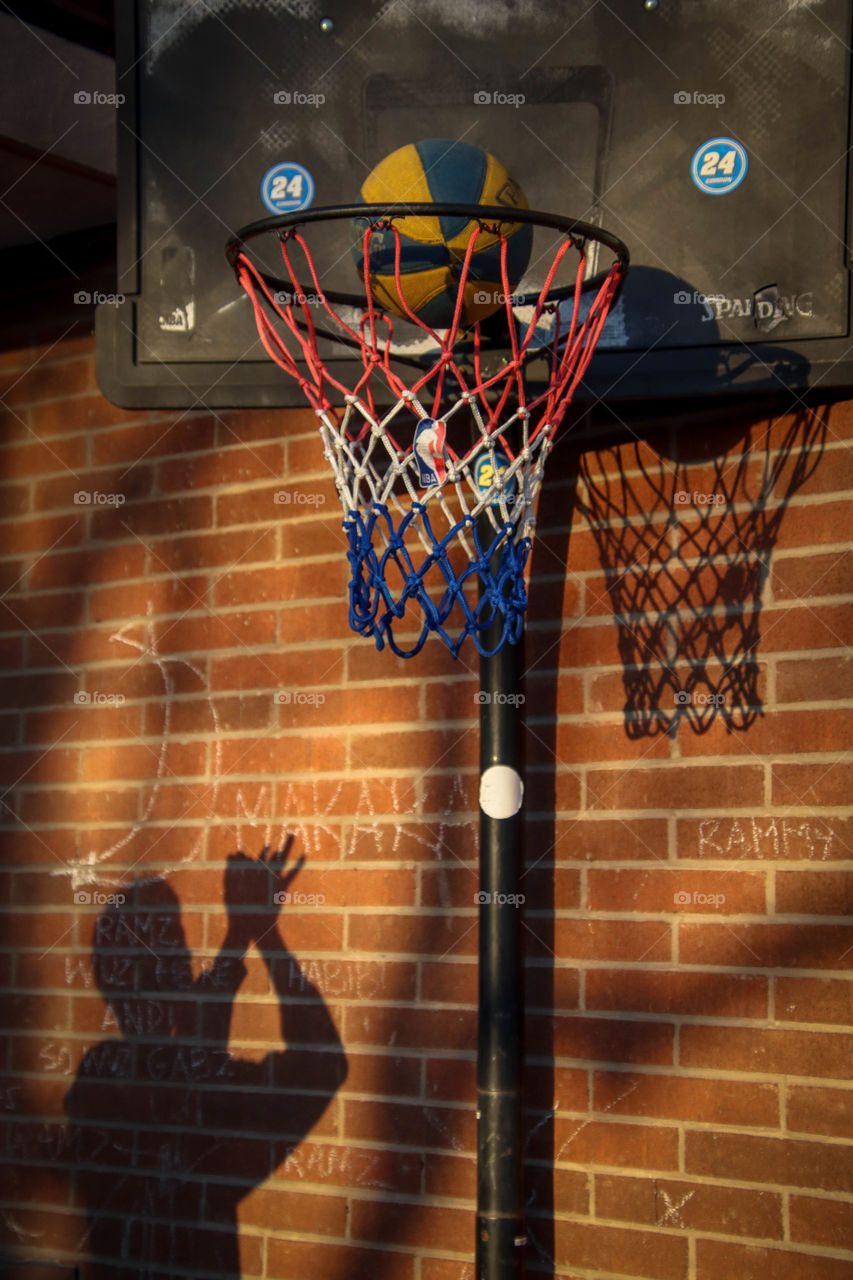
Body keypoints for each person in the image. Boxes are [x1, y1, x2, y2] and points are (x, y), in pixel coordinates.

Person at [65, 846, 347, 1279]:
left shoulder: (109, 1072)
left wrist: (250, 934)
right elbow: (186, 1086)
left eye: (174, 941)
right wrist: (256, 934)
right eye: (155, 948)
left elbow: (318, 1065)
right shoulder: (102, 1079)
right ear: (115, 974)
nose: (175, 962)